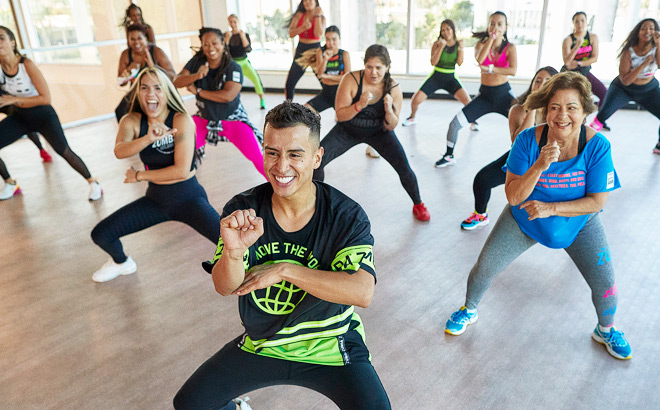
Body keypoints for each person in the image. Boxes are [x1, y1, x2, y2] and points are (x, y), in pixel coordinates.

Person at [173, 101, 391, 410]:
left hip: (331, 344)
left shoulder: (346, 216)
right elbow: (225, 286)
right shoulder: (244, 209)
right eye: (272, 152)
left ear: (317, 158)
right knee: (190, 403)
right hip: (264, 344)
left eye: (295, 154)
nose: (281, 166)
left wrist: (284, 270)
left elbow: (362, 291)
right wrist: (234, 254)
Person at [445, 72, 631, 361]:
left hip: (578, 222)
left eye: (571, 107)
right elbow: (514, 197)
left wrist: (551, 208)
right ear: (546, 109)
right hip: (525, 218)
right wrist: (540, 165)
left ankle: (606, 329)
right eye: (555, 107)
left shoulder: (597, 145)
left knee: (606, 285)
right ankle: (468, 309)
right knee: (484, 267)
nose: (562, 115)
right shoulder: (527, 141)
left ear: (584, 111)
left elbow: (597, 202)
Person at [90, 67, 220, 282]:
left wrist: (139, 176)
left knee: (231, 243)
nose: (151, 93)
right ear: (137, 92)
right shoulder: (131, 121)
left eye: (158, 88)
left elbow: (181, 171)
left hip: (189, 199)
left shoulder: (180, 119)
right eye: (145, 88)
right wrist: (147, 139)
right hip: (156, 201)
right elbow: (120, 151)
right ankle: (122, 263)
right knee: (101, 234)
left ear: (167, 92)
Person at [312, 44, 431, 221]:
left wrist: (389, 111)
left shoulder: (393, 87)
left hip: (379, 133)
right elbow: (340, 115)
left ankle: (418, 203)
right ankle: (316, 205)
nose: (373, 72)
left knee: (404, 168)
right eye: (369, 67)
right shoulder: (351, 80)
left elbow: (392, 125)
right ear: (364, 64)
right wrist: (359, 105)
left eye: (378, 68)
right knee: (317, 160)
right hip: (348, 130)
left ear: (387, 67)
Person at [0, 26, 101, 201]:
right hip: (19, 117)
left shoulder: (26, 65)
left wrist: (14, 100)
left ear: (12, 42)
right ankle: (10, 183)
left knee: (64, 151)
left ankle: (93, 182)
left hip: (42, 115)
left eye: (1, 38)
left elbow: (45, 98)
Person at [461, 66, 558, 230]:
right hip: (522, 159)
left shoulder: (557, 112)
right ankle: (480, 215)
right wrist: (532, 109)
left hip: (550, 162)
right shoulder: (517, 109)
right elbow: (517, 143)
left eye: (547, 82)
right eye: (538, 81)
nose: (541, 85)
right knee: (482, 180)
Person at [174, 27, 266, 179]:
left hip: (232, 120)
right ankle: (184, 189)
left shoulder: (233, 67)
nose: (210, 48)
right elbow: (177, 81)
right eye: (206, 44)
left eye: (215, 43)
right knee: (183, 153)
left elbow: (228, 96)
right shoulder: (197, 62)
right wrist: (197, 75)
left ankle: (284, 191)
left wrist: (198, 92)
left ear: (223, 43)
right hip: (205, 119)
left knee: (258, 157)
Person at [435, 11, 517, 167]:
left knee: (522, 126)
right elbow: (479, 59)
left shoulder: (510, 48)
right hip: (484, 96)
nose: (495, 27)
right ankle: (449, 155)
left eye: (499, 24)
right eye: (492, 23)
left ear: (505, 27)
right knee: (454, 124)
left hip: (504, 95)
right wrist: (491, 40)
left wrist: (492, 68)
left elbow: (513, 70)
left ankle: (518, 159)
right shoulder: (481, 44)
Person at [589, 18, 660, 154]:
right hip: (623, 88)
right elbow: (626, 80)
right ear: (638, 32)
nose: (648, 31)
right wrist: (643, 64)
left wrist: (659, 44)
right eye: (644, 28)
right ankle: (586, 140)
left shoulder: (657, 47)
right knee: (603, 115)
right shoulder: (629, 51)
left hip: (648, 89)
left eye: (651, 28)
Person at [402, 19, 477, 131]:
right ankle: (412, 117)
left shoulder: (458, 45)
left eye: (448, 29)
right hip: (436, 77)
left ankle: (473, 122)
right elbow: (433, 62)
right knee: (415, 100)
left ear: (453, 30)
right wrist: (441, 47)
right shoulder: (437, 44)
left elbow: (460, 63)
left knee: (467, 101)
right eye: (443, 30)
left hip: (450, 78)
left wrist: (461, 48)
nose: (445, 32)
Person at [115, 23, 176, 122]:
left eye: (139, 38)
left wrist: (153, 66)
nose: (136, 43)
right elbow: (121, 82)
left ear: (146, 39)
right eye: (132, 39)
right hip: (136, 91)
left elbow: (173, 76)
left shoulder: (156, 52)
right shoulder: (126, 54)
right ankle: (130, 135)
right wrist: (128, 71)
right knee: (120, 111)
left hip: (158, 90)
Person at [561, 11, 609, 130]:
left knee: (604, 93)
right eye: (577, 21)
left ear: (587, 22)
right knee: (570, 97)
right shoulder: (568, 40)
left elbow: (595, 58)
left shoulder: (592, 37)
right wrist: (577, 46)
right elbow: (567, 62)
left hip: (584, 72)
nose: (580, 23)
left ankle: (601, 119)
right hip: (569, 74)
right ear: (573, 23)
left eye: (582, 20)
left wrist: (579, 63)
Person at [284, 0, 325, 100]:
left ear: (315, 2)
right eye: (305, 0)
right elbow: (291, 34)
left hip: (316, 51)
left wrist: (317, 16)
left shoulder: (320, 15)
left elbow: (318, 34)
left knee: (325, 82)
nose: (307, 2)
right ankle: (288, 110)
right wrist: (303, 27)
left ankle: (337, 107)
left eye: (310, 0)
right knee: (289, 84)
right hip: (301, 50)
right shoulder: (299, 15)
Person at [225, 14, 266, 110]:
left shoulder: (244, 34)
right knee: (233, 84)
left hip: (244, 62)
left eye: (234, 21)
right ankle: (234, 103)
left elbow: (248, 49)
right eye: (230, 22)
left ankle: (262, 101)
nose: (233, 24)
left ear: (238, 22)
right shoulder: (227, 35)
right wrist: (227, 38)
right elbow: (224, 51)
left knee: (256, 79)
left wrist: (242, 36)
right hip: (233, 63)